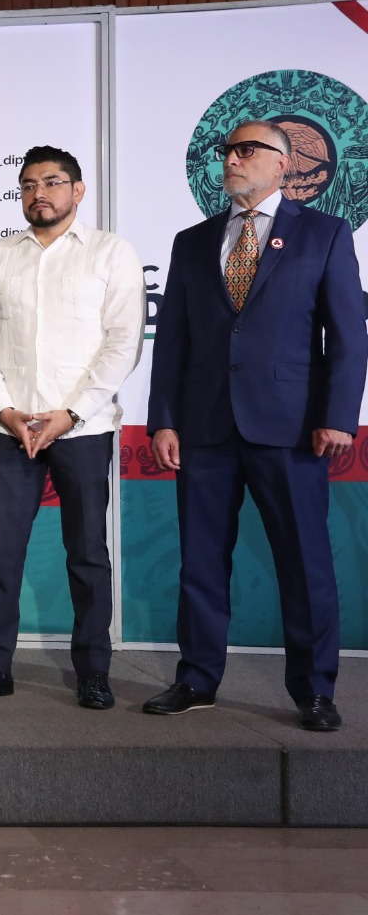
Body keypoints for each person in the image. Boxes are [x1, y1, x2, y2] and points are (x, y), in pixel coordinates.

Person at [146, 120, 366, 732]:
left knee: (304, 561)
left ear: (284, 163)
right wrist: (164, 420)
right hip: (205, 427)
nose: (232, 160)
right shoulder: (192, 241)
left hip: (292, 429)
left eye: (248, 150)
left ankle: (315, 690)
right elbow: (173, 340)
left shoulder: (324, 234)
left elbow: (349, 335)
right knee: (200, 562)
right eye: (228, 151)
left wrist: (337, 416)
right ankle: (196, 678)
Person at [0, 146, 144, 710]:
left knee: (87, 555)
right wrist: (6, 410)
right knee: (1, 554)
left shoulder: (111, 253)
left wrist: (71, 414)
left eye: (53, 182)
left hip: (82, 431)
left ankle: (93, 672)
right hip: (8, 430)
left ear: (78, 190)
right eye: (29, 184)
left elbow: (123, 344)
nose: (39, 193)